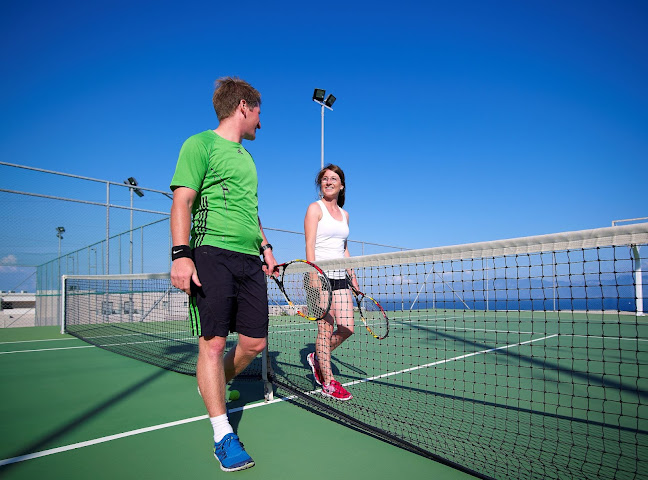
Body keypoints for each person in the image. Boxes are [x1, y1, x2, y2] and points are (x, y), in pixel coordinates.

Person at [169, 77, 277, 472]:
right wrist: (181, 255)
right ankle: (222, 433)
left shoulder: (247, 158)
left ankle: (211, 383)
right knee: (213, 345)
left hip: (249, 260)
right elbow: (183, 199)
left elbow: (251, 208)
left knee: (255, 343)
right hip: (210, 253)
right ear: (244, 106)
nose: (261, 122)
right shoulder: (199, 144)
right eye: (259, 112)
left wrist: (265, 246)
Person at [304, 164, 358, 401]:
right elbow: (310, 244)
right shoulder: (314, 209)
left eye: (333, 178)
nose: (328, 182)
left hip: (340, 277)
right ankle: (329, 382)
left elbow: (343, 248)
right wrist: (313, 275)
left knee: (347, 328)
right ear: (321, 184)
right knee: (325, 329)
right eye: (325, 178)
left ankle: (317, 357)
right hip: (319, 276)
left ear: (341, 185)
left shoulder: (345, 215)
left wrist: (353, 276)